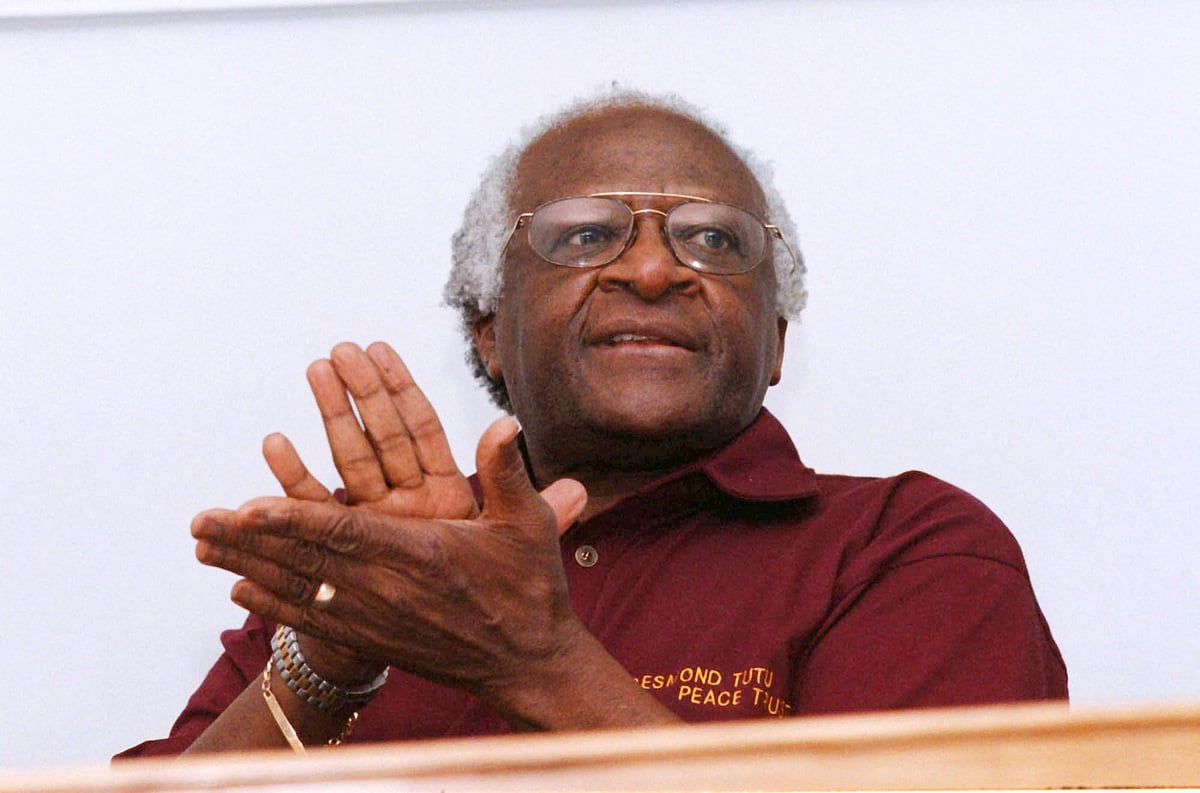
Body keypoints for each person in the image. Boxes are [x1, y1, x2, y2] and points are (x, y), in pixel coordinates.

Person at [119, 90, 1066, 758]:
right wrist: (333, 652)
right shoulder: (383, 567)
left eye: (712, 238)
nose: (652, 270)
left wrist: (533, 660)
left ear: (775, 341)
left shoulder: (905, 549)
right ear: (488, 331)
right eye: (582, 234)